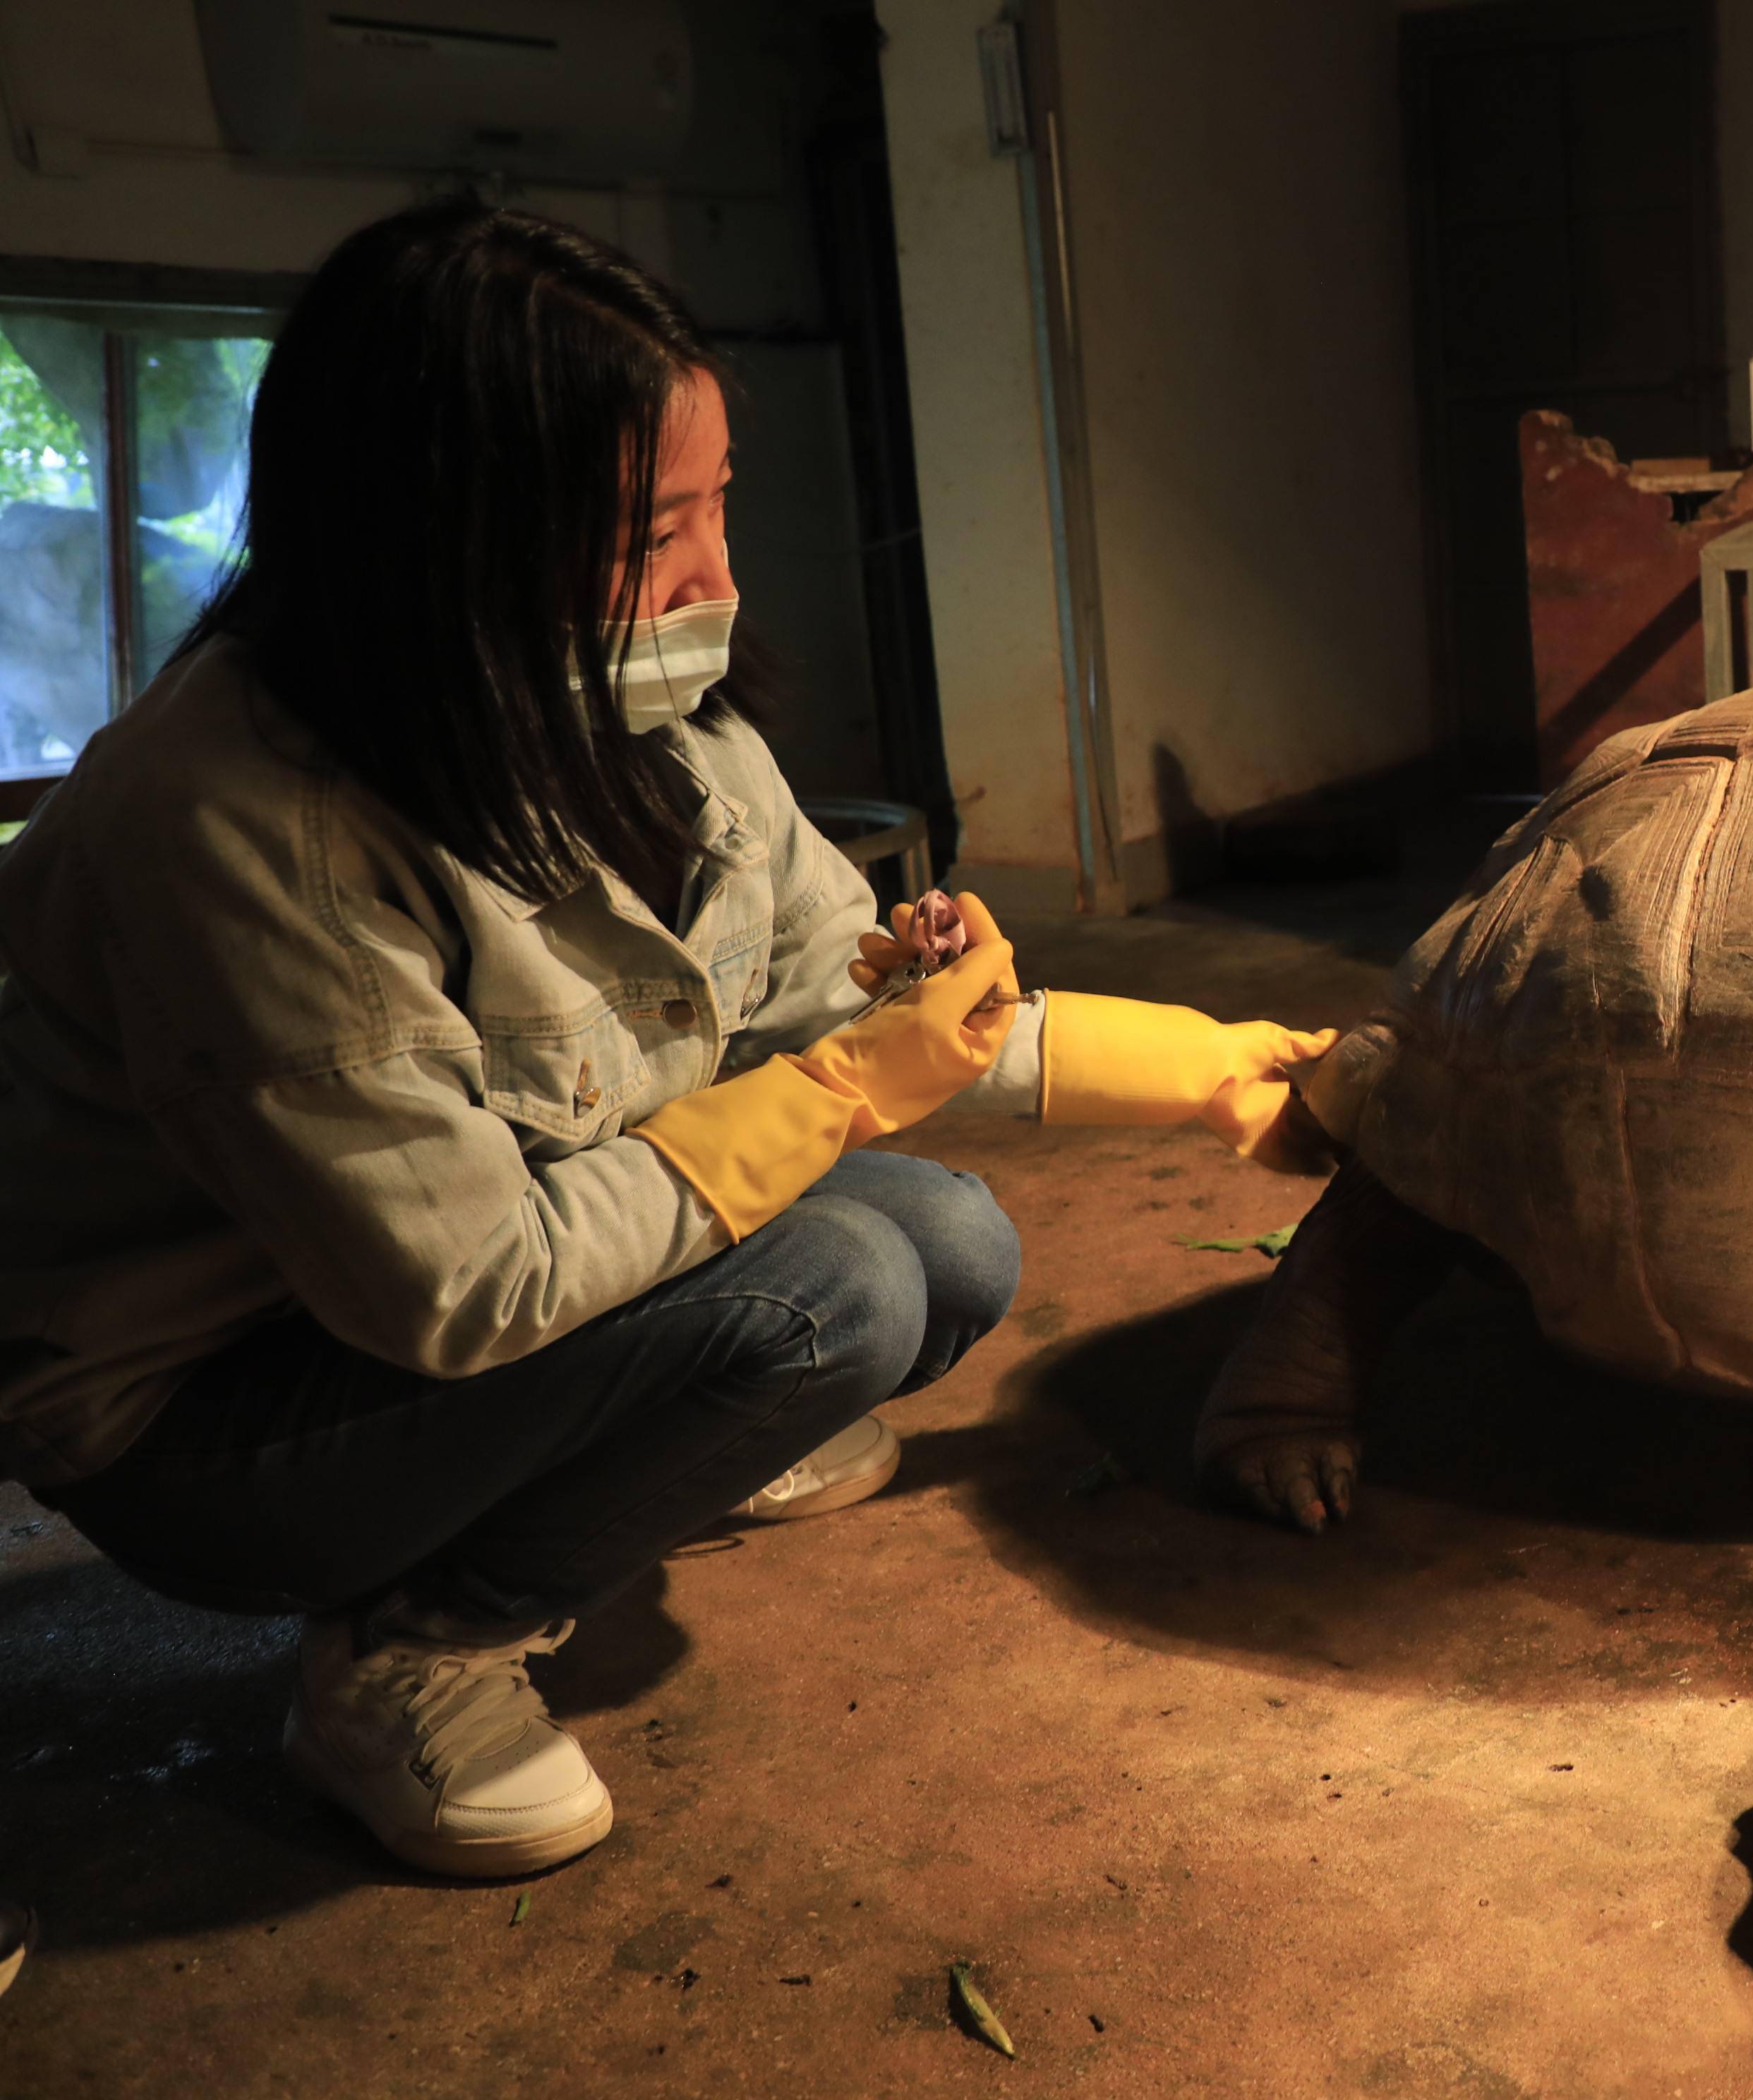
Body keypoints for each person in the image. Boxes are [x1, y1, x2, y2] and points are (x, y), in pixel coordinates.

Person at [0, 200, 1332, 1881]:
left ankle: (646, 1444)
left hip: (452, 1303)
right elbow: (465, 1283)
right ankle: (415, 1646)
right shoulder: (243, 833)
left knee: (947, 1242)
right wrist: (851, 1086)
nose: (716, 579)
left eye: (716, 508)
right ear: (439, 541)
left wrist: (1222, 1070)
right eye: (649, 536)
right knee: (833, 1291)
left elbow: (838, 1007)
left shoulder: (643, 735)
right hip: (210, 1410)